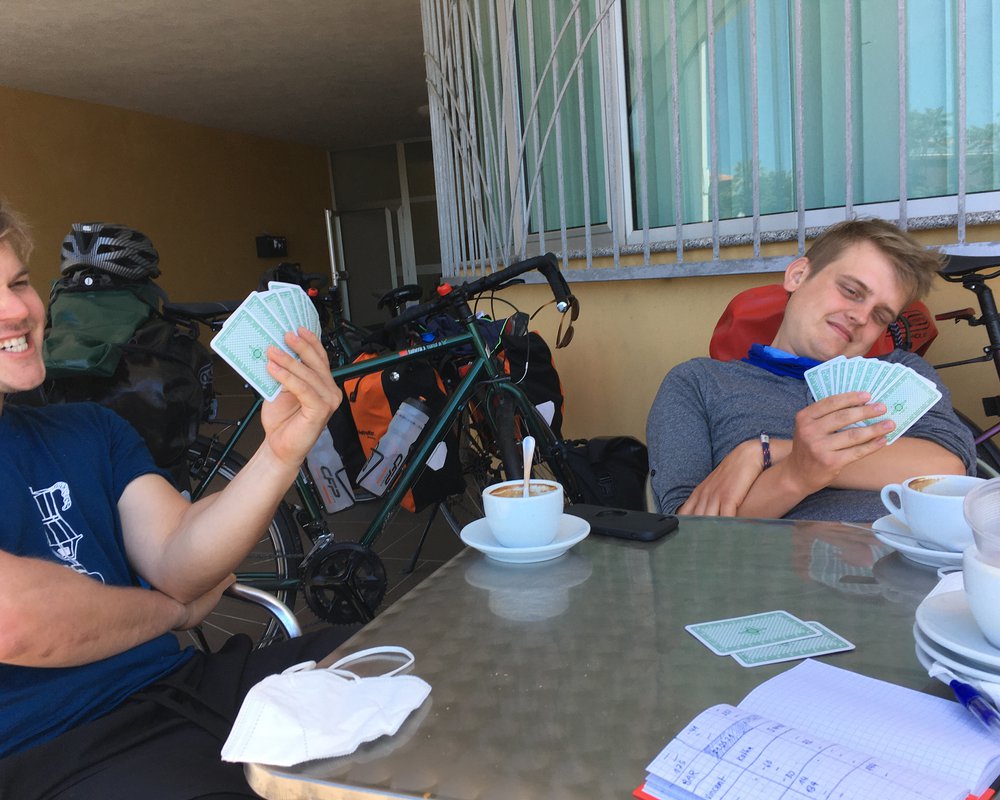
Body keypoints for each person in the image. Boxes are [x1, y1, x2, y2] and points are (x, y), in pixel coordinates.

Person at [0, 202, 360, 799]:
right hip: (52, 749)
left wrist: (280, 451)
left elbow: (176, 558)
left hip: (179, 689)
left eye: (17, 283)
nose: (17, 311)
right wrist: (172, 613)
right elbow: (18, 621)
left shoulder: (87, 429)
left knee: (389, 669)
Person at [647, 218, 976, 522]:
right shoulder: (700, 382)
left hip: (917, 557)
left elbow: (947, 469)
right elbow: (688, 526)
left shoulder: (902, 372)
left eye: (880, 316)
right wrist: (796, 474)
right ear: (798, 275)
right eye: (851, 291)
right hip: (781, 563)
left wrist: (767, 452)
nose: (861, 317)